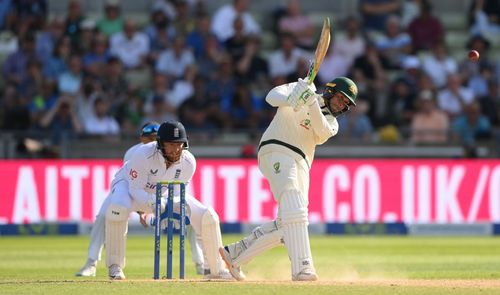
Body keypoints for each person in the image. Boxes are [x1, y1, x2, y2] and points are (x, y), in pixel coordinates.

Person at [219, 76, 358, 281]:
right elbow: (271, 98)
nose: (342, 104)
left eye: (346, 103)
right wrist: (295, 96)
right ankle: (303, 268)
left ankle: (236, 254)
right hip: (277, 148)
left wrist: (309, 101)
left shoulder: (332, 123)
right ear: (330, 91)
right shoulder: (301, 87)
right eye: (341, 97)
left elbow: (321, 133)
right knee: (294, 205)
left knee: (291, 224)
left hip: (301, 163)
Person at [76, 120, 235, 280]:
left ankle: (215, 269)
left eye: (179, 144)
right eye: (171, 144)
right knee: (117, 210)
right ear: (160, 143)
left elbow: (179, 192)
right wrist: (155, 206)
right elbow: (135, 189)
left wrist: (173, 207)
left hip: (163, 193)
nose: (176, 149)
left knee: (207, 216)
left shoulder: (188, 162)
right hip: (128, 187)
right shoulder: (142, 154)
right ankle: (115, 267)